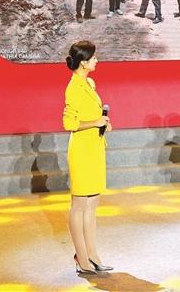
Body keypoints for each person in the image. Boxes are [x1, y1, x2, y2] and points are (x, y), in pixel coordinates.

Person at [62, 41, 114, 274]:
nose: (97, 61)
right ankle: (81, 257)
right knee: (79, 204)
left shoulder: (89, 83)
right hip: (82, 151)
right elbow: (69, 123)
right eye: (93, 58)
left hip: (95, 147)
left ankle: (92, 254)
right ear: (83, 62)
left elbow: (91, 115)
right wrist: (95, 122)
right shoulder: (73, 88)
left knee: (92, 203)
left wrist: (103, 123)